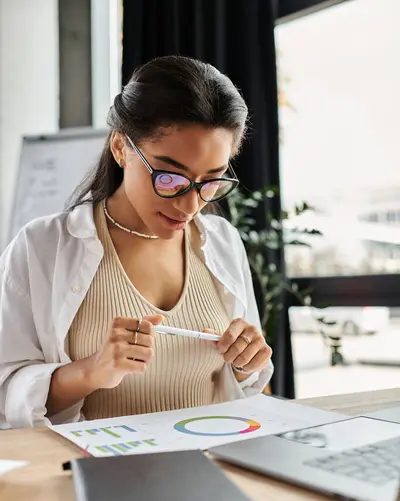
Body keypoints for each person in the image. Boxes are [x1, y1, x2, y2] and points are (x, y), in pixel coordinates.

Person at [0, 55, 273, 429]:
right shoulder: (42, 246)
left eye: (211, 181)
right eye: (170, 177)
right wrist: (92, 371)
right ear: (120, 148)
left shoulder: (223, 242)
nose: (191, 204)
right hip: (94, 473)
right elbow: (6, 395)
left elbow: (247, 390)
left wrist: (247, 362)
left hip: (208, 462)